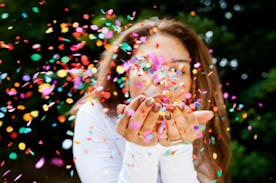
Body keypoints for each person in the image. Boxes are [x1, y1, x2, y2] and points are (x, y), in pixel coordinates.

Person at [71, 17, 231, 183]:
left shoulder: (200, 122)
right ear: (126, 76)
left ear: (193, 81)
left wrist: (176, 148)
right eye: (147, 67)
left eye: (177, 70)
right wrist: (141, 149)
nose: (163, 80)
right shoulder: (97, 114)